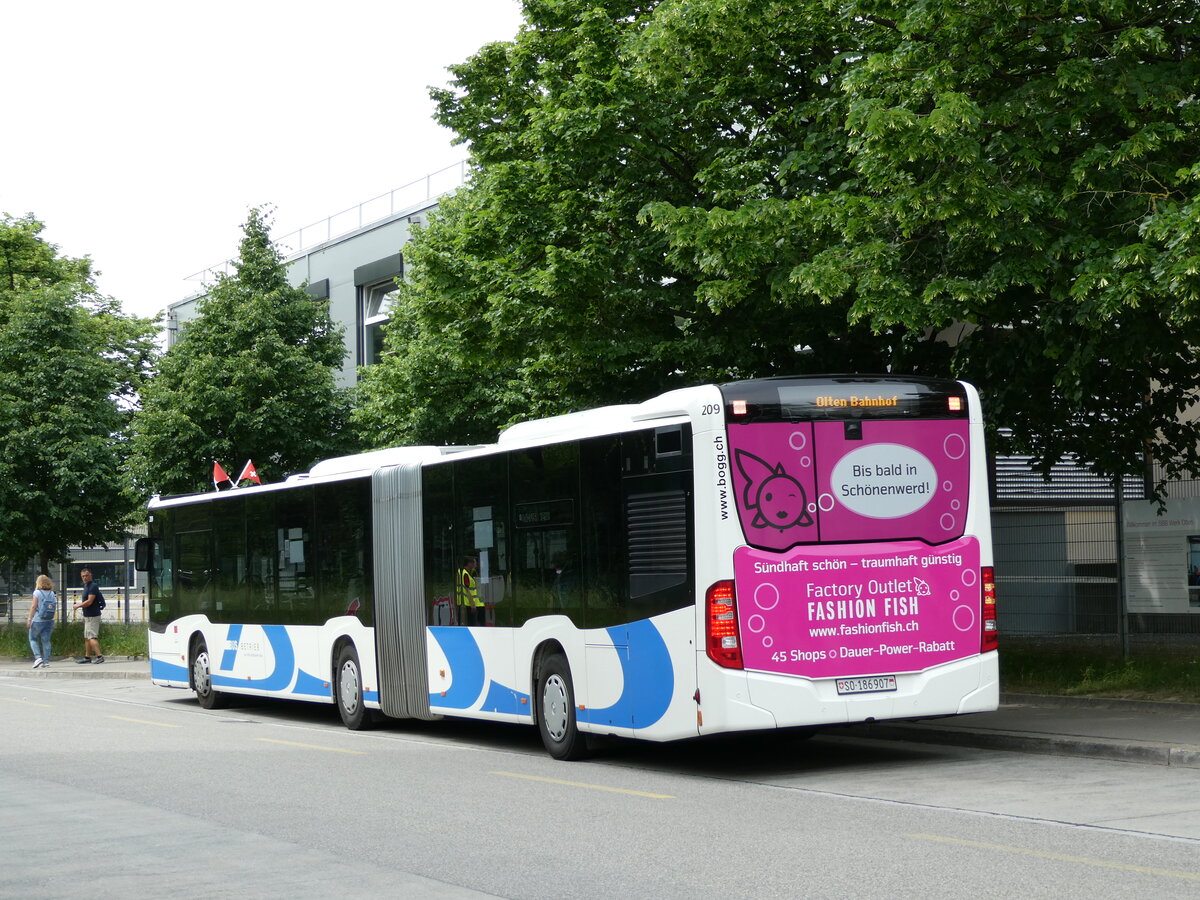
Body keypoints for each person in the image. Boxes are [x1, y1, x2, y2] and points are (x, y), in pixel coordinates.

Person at [73, 568, 104, 664]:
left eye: (86, 576)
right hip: (88, 616)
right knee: (87, 637)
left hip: (93, 616)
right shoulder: (86, 587)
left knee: (91, 637)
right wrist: (84, 615)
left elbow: (89, 601)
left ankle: (100, 656)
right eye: (83, 576)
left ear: (91, 575)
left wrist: (78, 605)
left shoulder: (93, 586)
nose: (85, 578)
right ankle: (87, 657)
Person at [26, 574, 57, 669]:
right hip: (49, 620)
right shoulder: (52, 593)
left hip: (38, 620)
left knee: (33, 638)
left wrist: (29, 619)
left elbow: (34, 606)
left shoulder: (37, 593)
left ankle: (38, 658)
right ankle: (46, 662)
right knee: (46, 641)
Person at [455, 556, 484, 626]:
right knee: (472, 624)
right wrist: (472, 604)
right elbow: (467, 590)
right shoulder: (464, 574)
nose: (475, 564)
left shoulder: (464, 572)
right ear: (469, 563)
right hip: (468, 604)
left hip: (466, 603)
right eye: (474, 562)